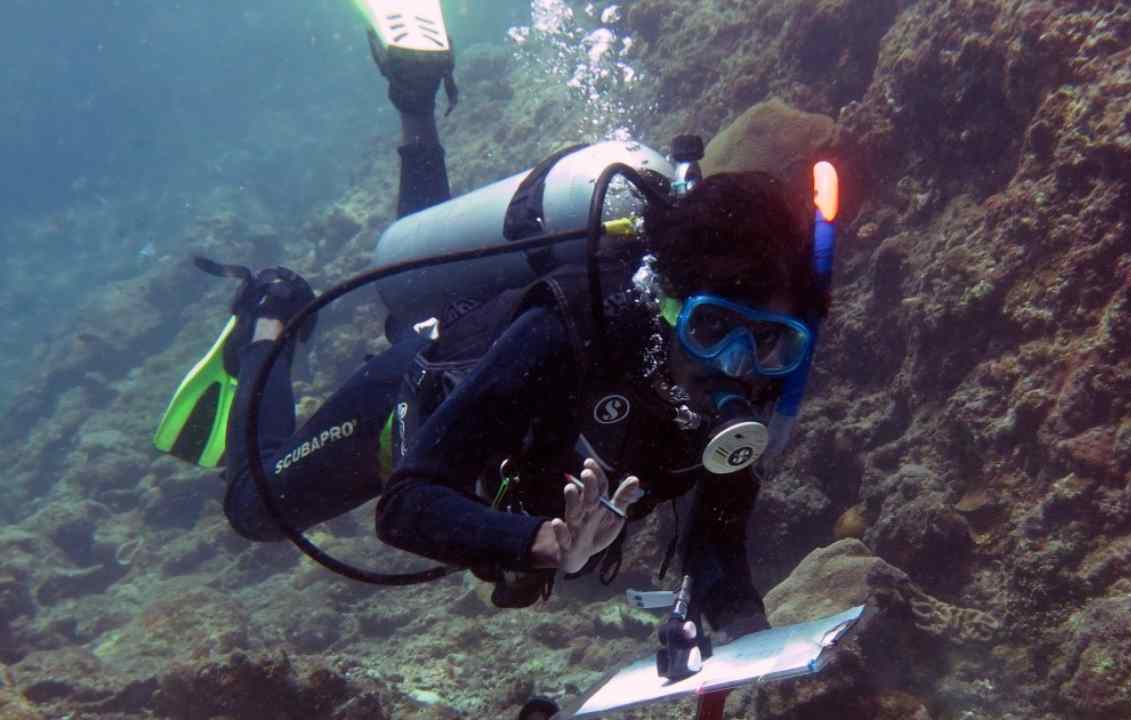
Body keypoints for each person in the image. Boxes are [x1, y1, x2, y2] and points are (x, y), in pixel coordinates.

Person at [161, 0, 830, 689]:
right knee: (254, 509)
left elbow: (715, 541)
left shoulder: (751, 389)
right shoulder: (570, 330)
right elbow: (407, 502)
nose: (737, 368)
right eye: (712, 330)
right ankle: (270, 321)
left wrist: (752, 639)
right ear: (665, 305)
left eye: (769, 342)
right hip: (414, 397)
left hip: (479, 348)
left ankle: (415, 102)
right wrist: (534, 541)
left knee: (426, 294)